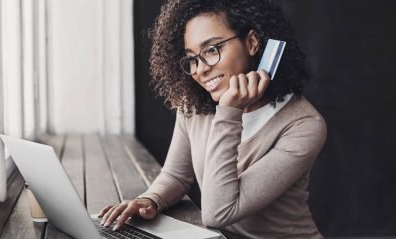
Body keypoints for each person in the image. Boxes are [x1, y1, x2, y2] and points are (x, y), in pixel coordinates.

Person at [98, 0, 327, 238]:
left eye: (212, 50)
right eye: (192, 58)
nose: (200, 69)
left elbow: (218, 212)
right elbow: (176, 176)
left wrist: (229, 112)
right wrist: (149, 200)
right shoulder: (194, 107)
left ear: (251, 42)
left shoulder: (304, 125)